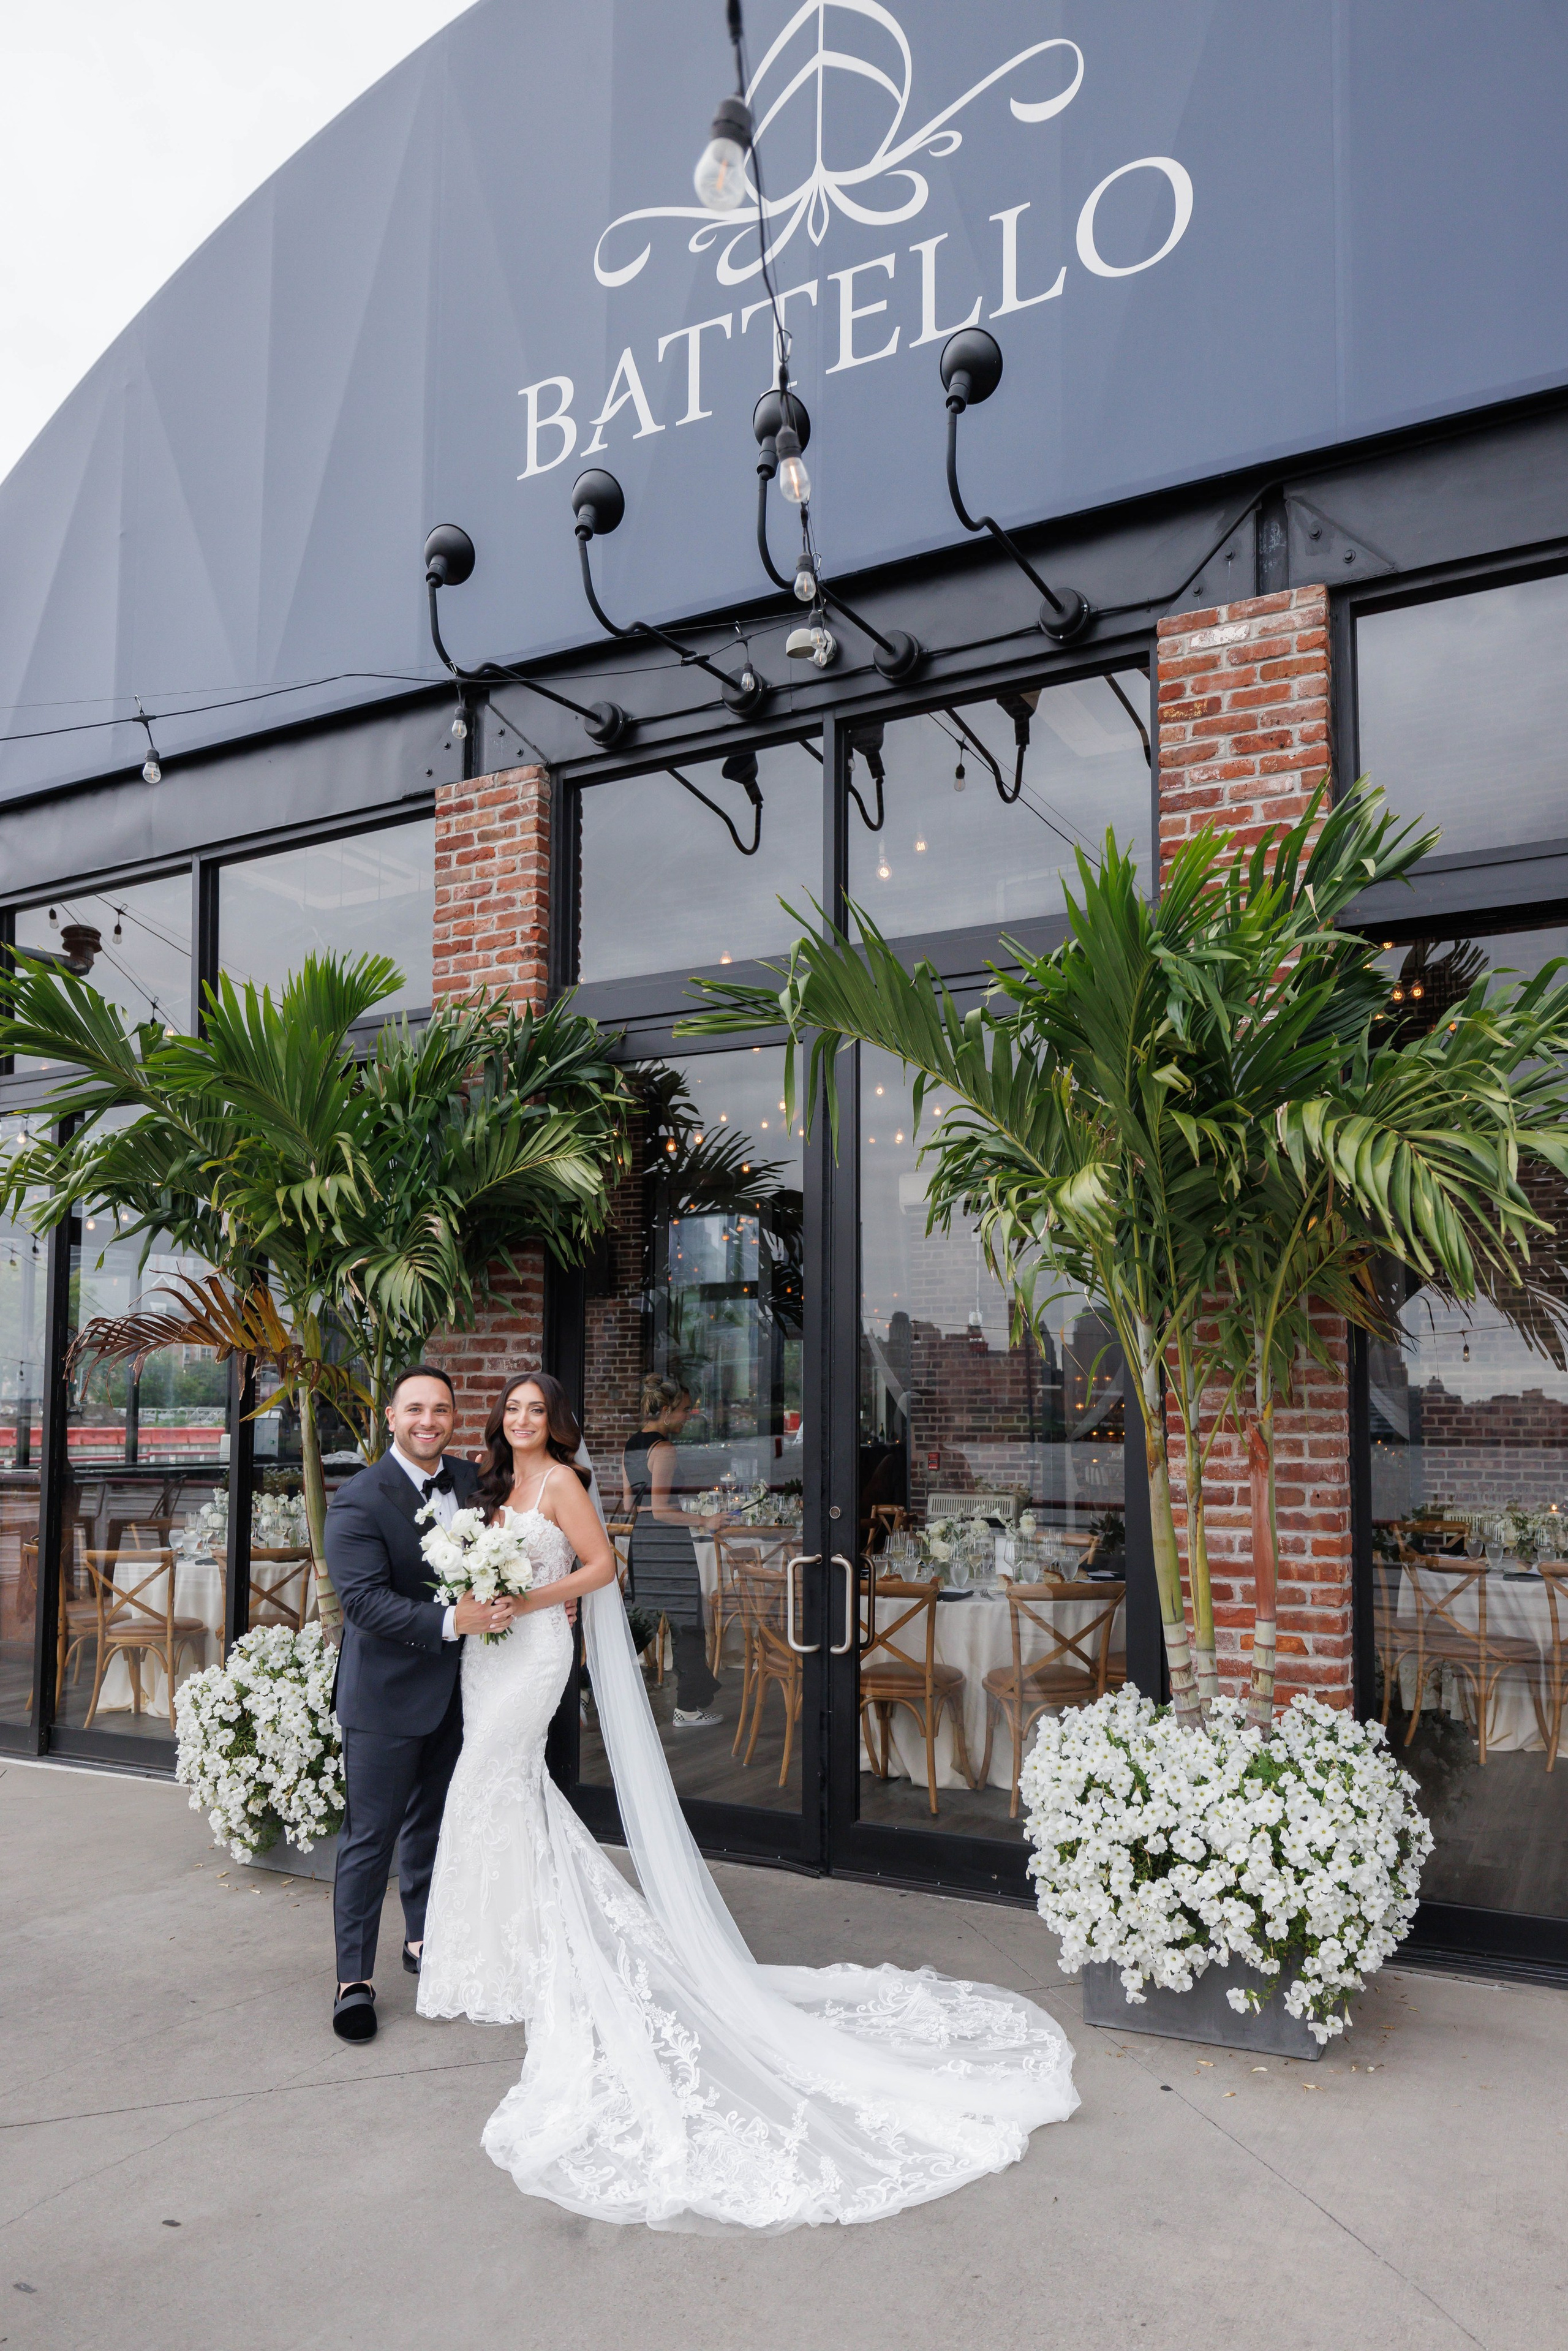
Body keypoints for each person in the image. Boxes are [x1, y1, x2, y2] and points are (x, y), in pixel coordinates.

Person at [417, 1370, 1078, 2232]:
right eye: (512, 1408)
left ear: (557, 1421)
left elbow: (603, 1566)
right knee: (495, 1789)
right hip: (487, 1652)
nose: (522, 1419)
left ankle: (543, 1941)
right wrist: (475, 1593)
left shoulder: (566, 1483)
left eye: (536, 1409)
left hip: (534, 1645)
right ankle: (498, 1945)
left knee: (493, 1779)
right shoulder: (490, 1482)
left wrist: (527, 1597)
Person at [324, 1364, 502, 2044]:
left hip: (463, 1693)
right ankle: (353, 1979)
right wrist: (456, 1622)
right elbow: (363, 1603)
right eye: (416, 1409)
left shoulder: (471, 1480)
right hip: (386, 1698)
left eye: (441, 1409)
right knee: (370, 1840)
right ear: (391, 1418)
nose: (429, 1420)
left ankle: (423, 1939)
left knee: (434, 1825)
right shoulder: (360, 1498)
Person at [621, 1374, 720, 1727]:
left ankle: (587, 1689)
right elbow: (662, 1510)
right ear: (665, 1411)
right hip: (666, 1542)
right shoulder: (664, 1450)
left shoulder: (633, 1444)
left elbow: (630, 1502)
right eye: (684, 1409)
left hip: (643, 1540)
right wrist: (704, 1520)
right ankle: (689, 1708)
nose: (688, 1416)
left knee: (642, 1622)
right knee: (686, 1624)